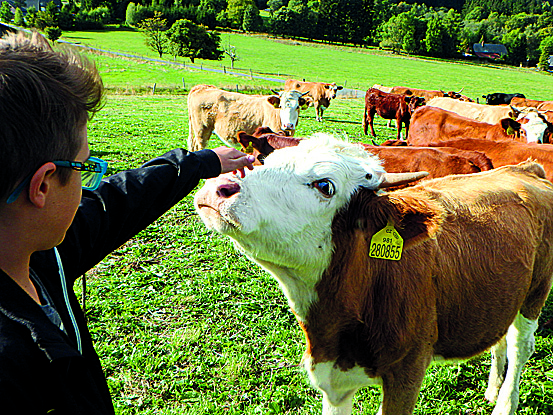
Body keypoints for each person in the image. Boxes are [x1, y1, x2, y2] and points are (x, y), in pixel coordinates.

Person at [0, 31, 254, 414]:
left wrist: (203, 162)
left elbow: (121, 200)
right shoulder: (12, 369)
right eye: (85, 167)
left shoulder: (33, 251)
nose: (91, 185)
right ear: (43, 185)